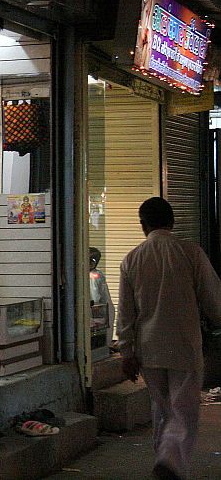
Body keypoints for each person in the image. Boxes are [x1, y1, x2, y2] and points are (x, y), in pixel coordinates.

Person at [118, 197, 221, 480]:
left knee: (162, 408)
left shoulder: (131, 259)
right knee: (183, 410)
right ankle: (170, 462)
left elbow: (125, 313)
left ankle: (163, 460)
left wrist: (126, 353)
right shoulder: (190, 253)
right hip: (184, 346)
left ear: (143, 225)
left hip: (149, 349)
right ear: (172, 222)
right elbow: (214, 300)